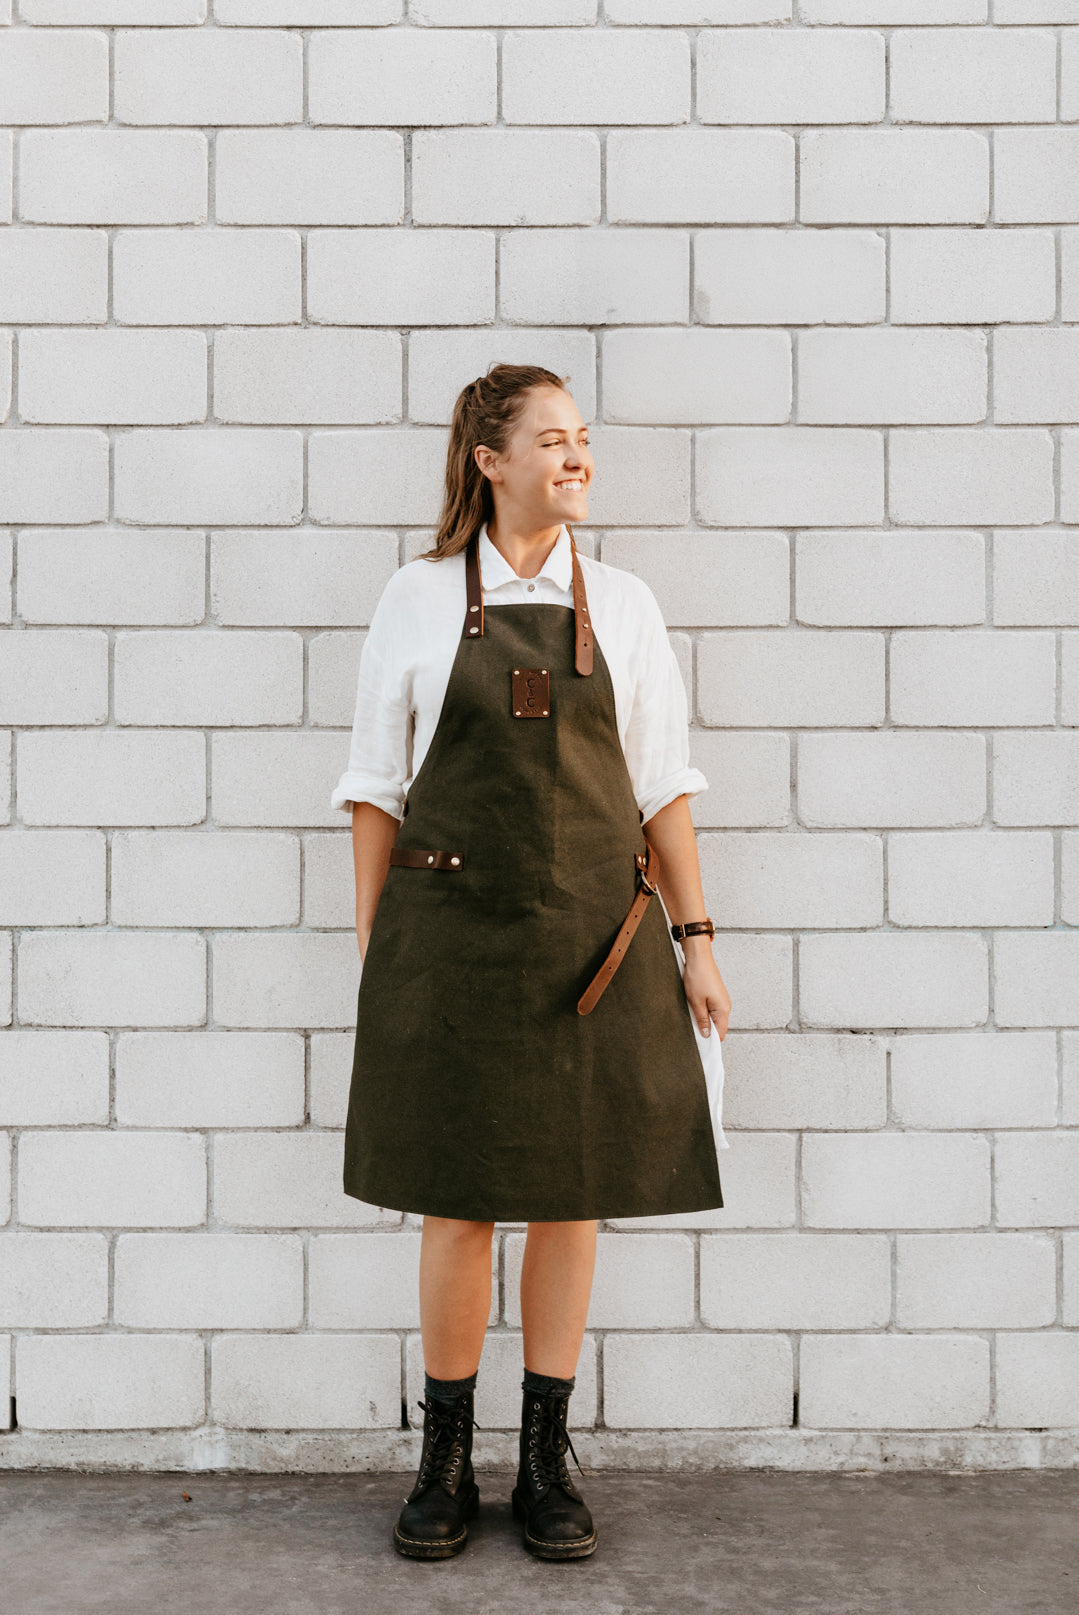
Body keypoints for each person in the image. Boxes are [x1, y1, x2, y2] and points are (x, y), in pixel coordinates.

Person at [330, 363, 732, 1562]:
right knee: (455, 1200)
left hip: (591, 945)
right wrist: (375, 954)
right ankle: (444, 1458)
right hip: (443, 951)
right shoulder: (412, 599)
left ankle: (546, 1458)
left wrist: (697, 940)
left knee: (571, 1195)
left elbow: (663, 784)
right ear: (486, 459)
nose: (576, 458)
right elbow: (372, 790)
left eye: (582, 439)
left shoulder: (624, 603)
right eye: (549, 440)